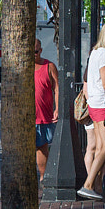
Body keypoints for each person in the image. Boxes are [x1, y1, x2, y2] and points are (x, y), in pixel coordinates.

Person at [77, 22, 105, 201]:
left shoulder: (96, 52)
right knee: (104, 148)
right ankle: (88, 185)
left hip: (95, 104)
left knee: (101, 147)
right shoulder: (104, 54)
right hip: (103, 104)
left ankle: (99, 186)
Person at [33, 39, 58, 180]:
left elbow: (57, 88)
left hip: (45, 115)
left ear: (40, 50)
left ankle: (43, 177)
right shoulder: (23, 67)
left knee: (43, 147)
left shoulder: (49, 66)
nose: (33, 55)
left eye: (35, 52)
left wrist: (57, 108)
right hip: (29, 117)